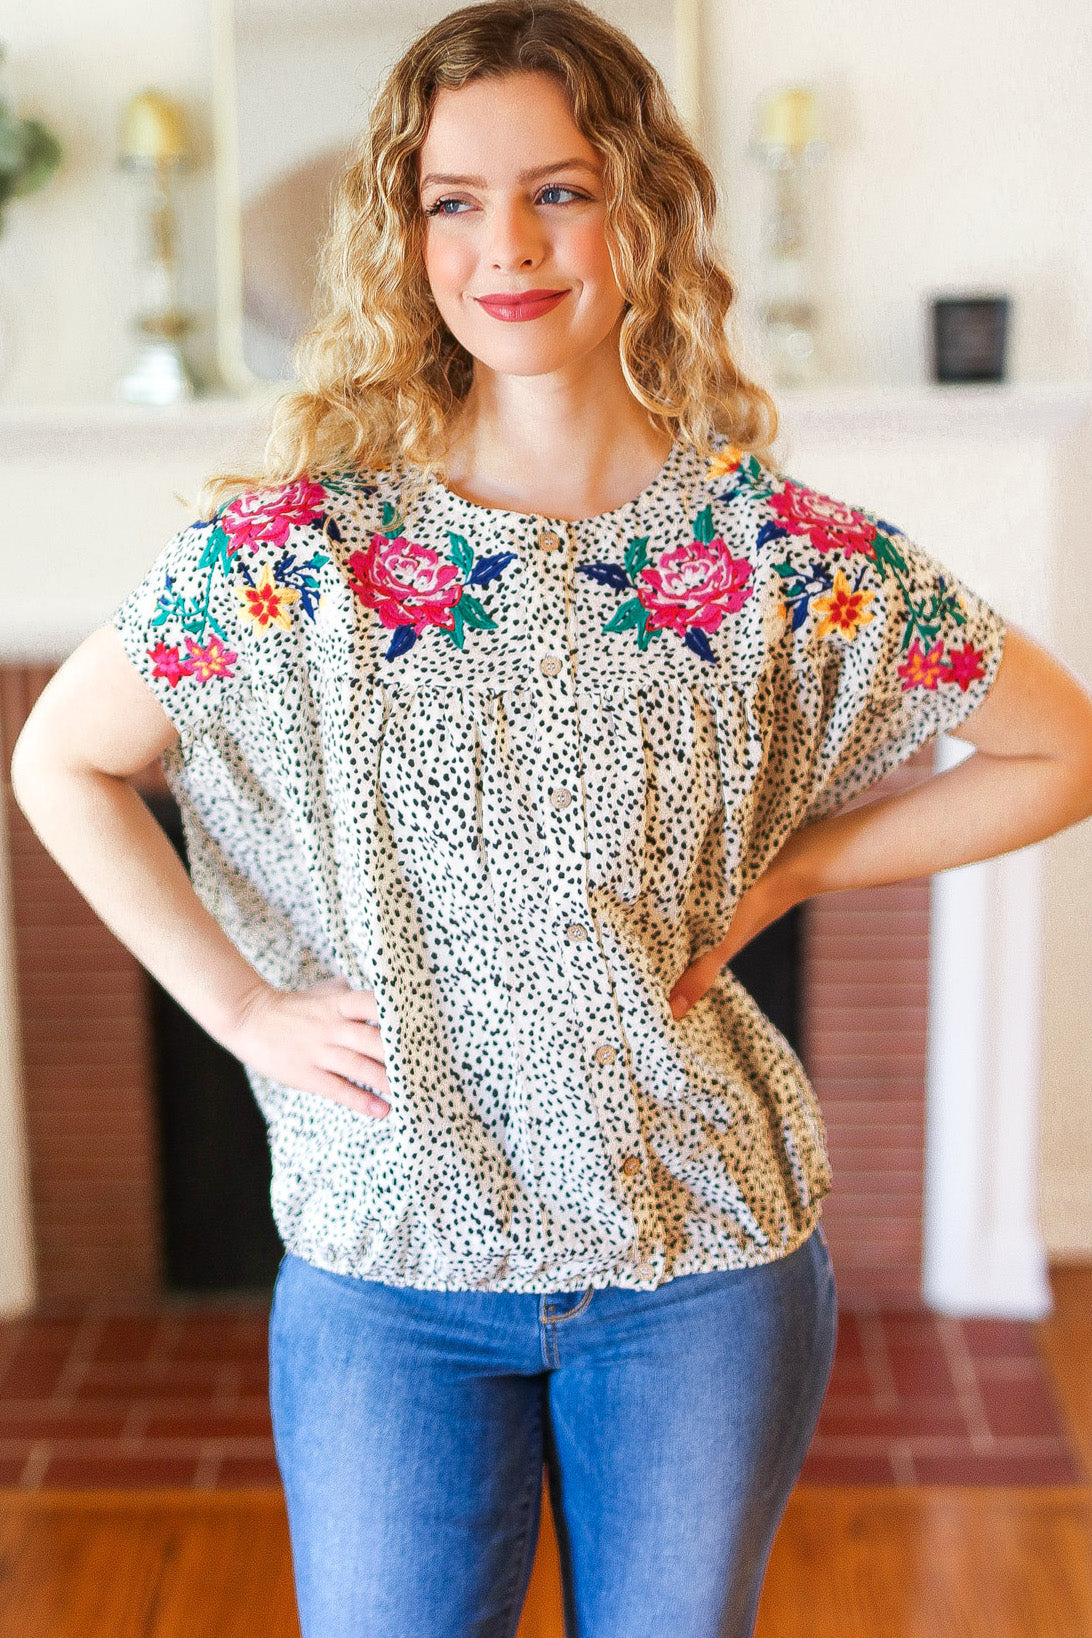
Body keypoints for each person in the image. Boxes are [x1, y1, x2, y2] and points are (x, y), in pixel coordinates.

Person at [11, 2, 1092, 1634]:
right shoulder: (296, 551)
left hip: (703, 1265)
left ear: (641, 208)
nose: (505, 244)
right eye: (454, 199)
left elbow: (1059, 750)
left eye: (559, 190)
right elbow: (59, 764)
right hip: (391, 1271)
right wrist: (236, 1005)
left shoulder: (770, 549)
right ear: (406, 230)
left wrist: (791, 872)